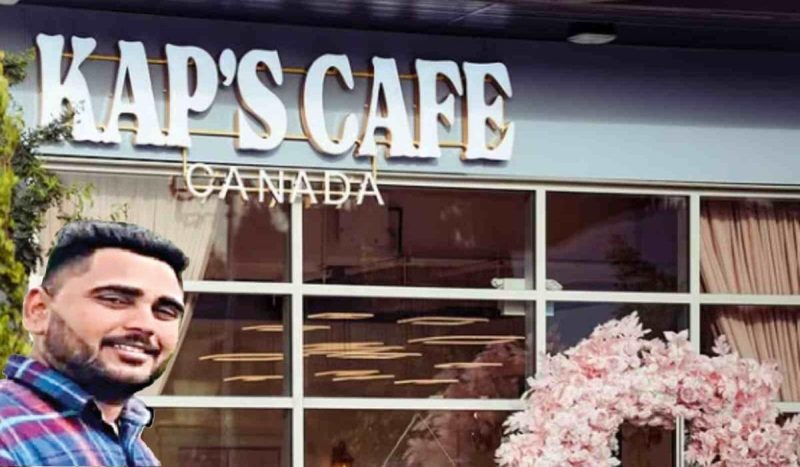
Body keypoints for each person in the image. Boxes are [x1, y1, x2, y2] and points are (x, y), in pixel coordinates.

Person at [0, 220, 188, 466]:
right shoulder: (7, 434)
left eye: (165, 311)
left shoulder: (135, 448)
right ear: (39, 310)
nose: (145, 325)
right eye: (115, 300)